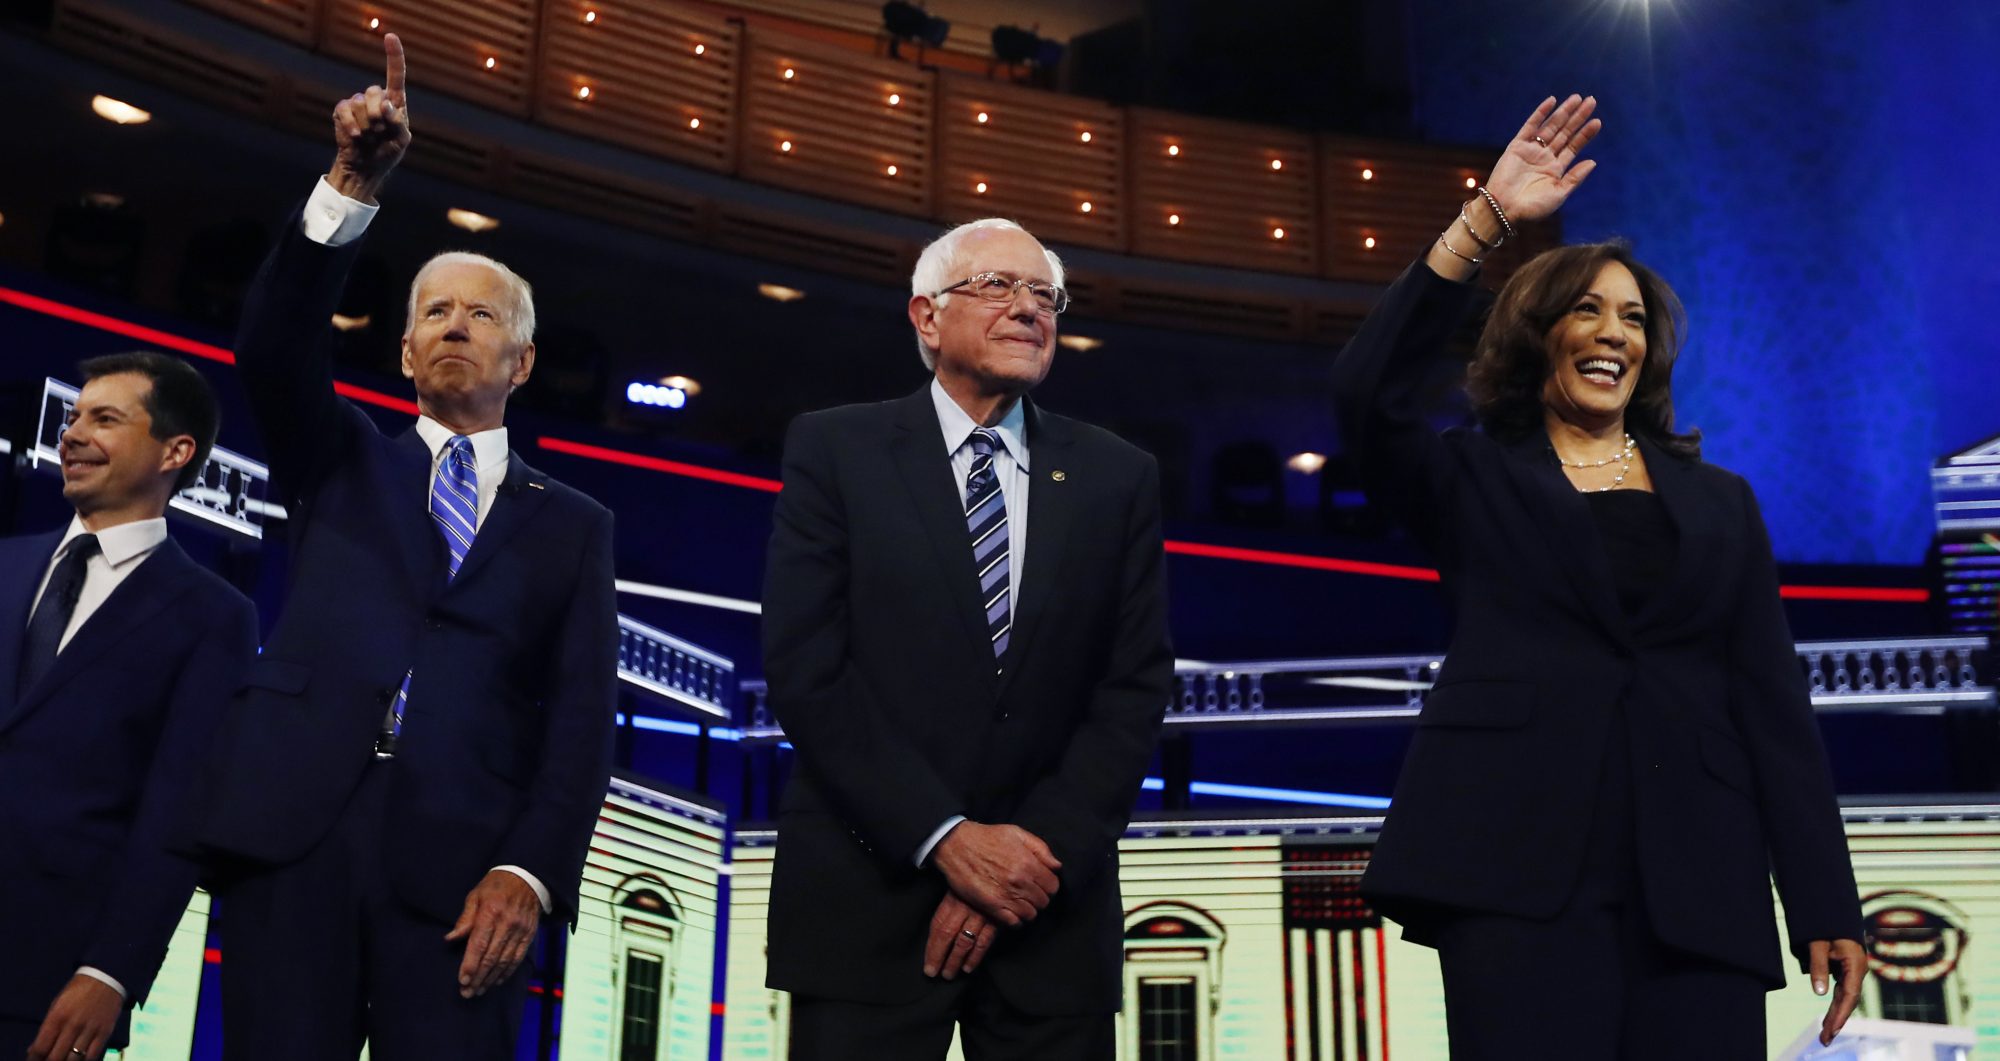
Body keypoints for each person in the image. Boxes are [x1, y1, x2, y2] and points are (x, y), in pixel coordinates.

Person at [1333, 95, 1866, 1058]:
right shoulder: (1471, 476)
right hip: (1516, 871)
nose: (1613, 331)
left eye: (1632, 317)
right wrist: (1482, 221)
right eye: (1586, 309)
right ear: (1538, 334)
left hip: (1699, 879)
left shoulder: (1721, 503)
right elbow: (1365, 395)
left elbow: (1772, 705)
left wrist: (1827, 896)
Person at [188, 35, 617, 1059]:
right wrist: (352, 181)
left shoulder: (574, 524)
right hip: (295, 836)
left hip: (467, 873)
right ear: (405, 349)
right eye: (435, 310)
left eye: (481, 314)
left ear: (521, 361)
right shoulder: (337, 456)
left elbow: (578, 723)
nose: (454, 325)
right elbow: (272, 342)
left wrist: (529, 870)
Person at [760, 215, 1174, 1059]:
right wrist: (946, 838)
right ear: (925, 317)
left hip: (1048, 917)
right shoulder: (835, 448)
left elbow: (1132, 687)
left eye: (1043, 294)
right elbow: (808, 669)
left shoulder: (1118, 476)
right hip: (867, 906)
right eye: (996, 286)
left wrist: (1025, 864)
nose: (1028, 308)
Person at [0, 353, 257, 1061]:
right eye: (75, 417)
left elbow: (180, 809)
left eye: (105, 419)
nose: (74, 434)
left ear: (175, 451)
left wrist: (109, 969)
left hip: (44, 983)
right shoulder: (4, 565)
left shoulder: (214, 616)